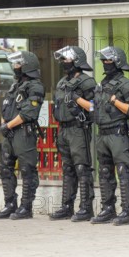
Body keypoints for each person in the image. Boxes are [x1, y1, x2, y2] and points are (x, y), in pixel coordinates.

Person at [89, 46, 129, 225]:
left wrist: (116, 101)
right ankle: (108, 208)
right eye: (103, 61)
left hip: (118, 133)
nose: (105, 64)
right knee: (104, 172)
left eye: (109, 61)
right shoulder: (100, 85)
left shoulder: (127, 85)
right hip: (102, 133)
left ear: (117, 62)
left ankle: (127, 210)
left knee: (123, 171)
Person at [0, 51, 44, 220]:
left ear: (27, 66)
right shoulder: (15, 85)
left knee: (27, 170)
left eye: (18, 64)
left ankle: (26, 207)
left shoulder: (35, 86)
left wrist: (8, 125)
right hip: (9, 133)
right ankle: (10, 204)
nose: (15, 67)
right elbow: (6, 106)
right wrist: (4, 123)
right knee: (5, 168)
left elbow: (29, 112)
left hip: (23, 133)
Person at [50, 46, 97, 222]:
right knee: (68, 168)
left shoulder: (87, 82)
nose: (64, 63)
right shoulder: (62, 82)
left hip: (78, 128)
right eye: (62, 60)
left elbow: (94, 107)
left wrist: (77, 99)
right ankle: (66, 206)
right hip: (63, 129)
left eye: (67, 60)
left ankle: (86, 208)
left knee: (81, 167)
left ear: (76, 61)